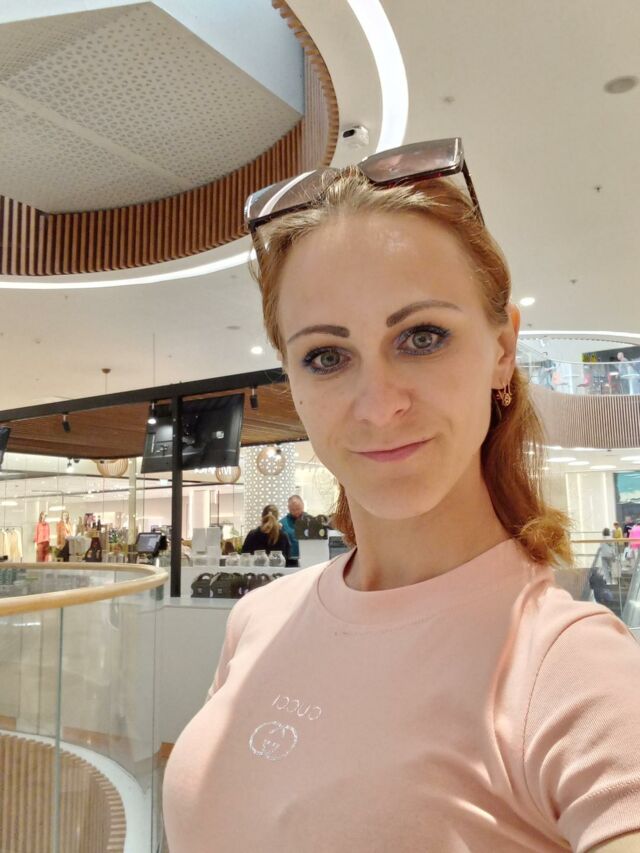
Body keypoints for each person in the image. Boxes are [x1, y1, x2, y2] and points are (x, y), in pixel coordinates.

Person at [163, 138, 640, 852]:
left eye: (422, 337)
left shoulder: (570, 669)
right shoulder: (258, 618)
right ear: (292, 378)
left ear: (502, 349)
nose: (379, 404)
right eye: (327, 356)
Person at [279, 494, 310, 565]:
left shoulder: (311, 521)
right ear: (288, 508)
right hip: (289, 561)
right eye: (293, 510)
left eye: (298, 509)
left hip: (308, 559)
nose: (296, 512)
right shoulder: (282, 523)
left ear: (303, 506)